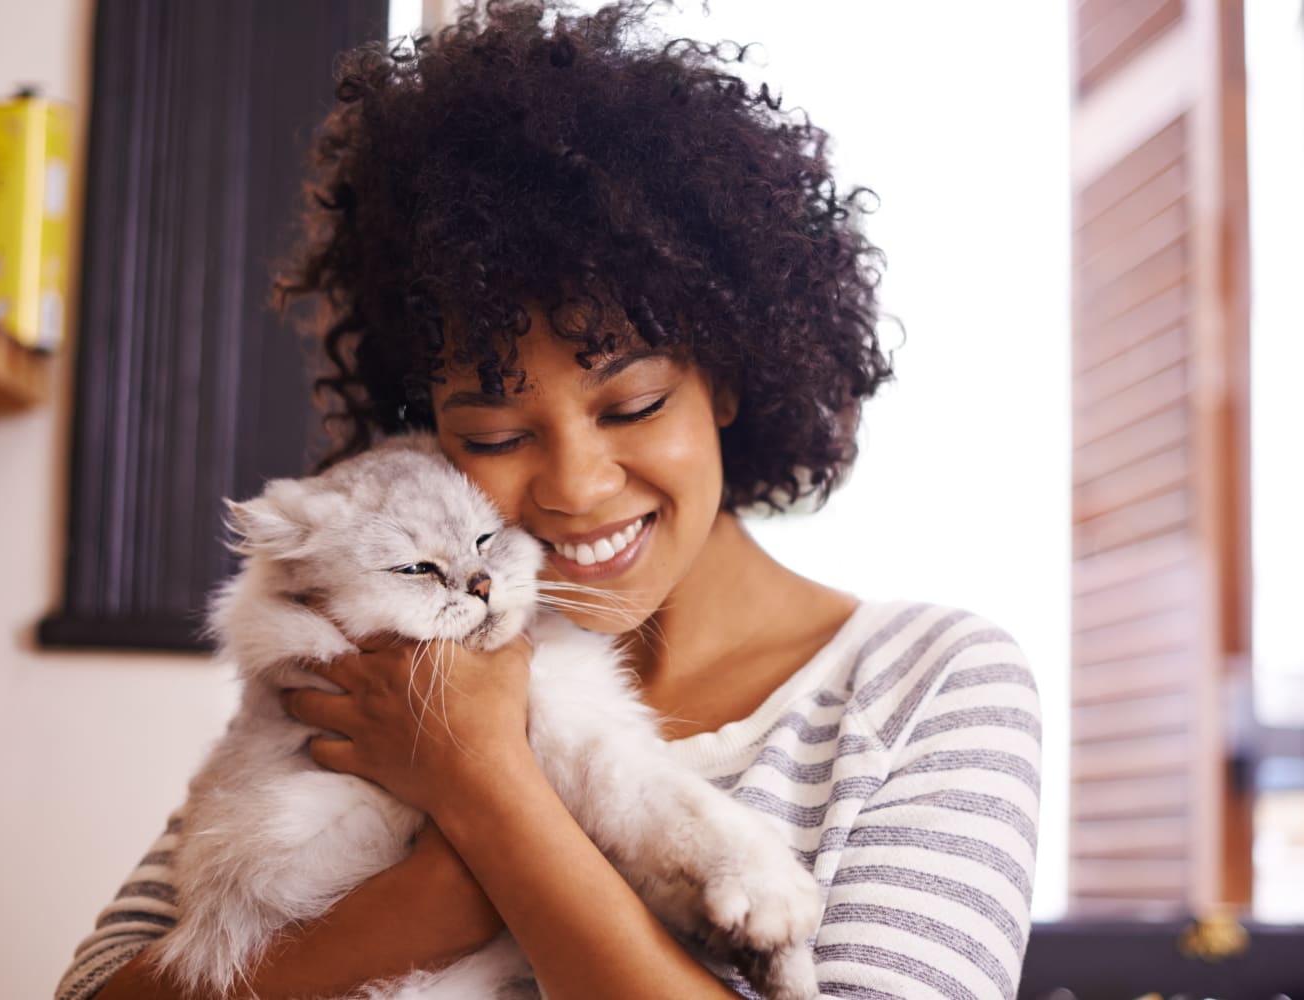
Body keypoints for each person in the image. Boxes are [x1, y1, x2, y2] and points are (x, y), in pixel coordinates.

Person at [56, 2, 1041, 998]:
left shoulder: (928, 688)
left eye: (636, 403)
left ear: (730, 377)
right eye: (495, 435)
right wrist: (423, 902)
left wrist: (489, 797)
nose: (574, 485)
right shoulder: (382, 667)